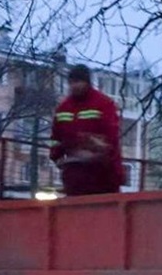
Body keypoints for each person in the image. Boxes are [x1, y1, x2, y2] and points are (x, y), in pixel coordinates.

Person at [49, 64, 125, 196]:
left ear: (87, 82)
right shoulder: (63, 108)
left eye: (78, 81)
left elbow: (111, 137)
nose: (74, 86)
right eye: (72, 82)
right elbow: (56, 137)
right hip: (75, 173)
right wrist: (57, 156)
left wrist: (95, 149)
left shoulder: (103, 104)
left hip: (102, 174)